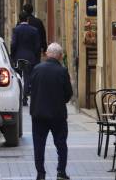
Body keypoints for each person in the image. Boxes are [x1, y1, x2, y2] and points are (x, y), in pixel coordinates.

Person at [29, 43, 73, 180]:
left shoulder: (36, 69)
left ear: (47, 54)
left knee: (39, 145)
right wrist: (59, 102)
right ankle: (61, 172)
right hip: (57, 114)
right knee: (61, 144)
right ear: (60, 56)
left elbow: (31, 89)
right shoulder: (62, 71)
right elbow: (68, 93)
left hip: (38, 114)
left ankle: (40, 174)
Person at [11, 11, 41, 106]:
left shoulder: (16, 30)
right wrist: (35, 56)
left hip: (19, 57)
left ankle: (19, 96)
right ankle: (25, 98)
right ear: (27, 19)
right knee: (28, 77)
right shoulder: (34, 30)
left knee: (18, 77)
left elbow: (13, 44)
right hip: (30, 57)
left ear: (19, 19)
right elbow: (37, 46)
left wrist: (13, 54)